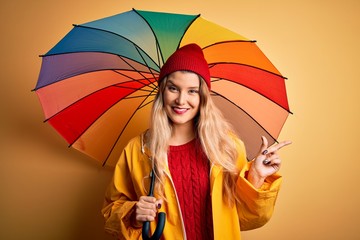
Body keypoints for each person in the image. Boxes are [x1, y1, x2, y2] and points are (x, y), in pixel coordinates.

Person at [101, 43, 292, 240]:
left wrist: (256, 178)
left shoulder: (228, 147)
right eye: (173, 88)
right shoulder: (137, 150)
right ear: (161, 91)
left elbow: (247, 219)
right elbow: (110, 212)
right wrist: (133, 214)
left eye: (192, 91)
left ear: (203, 97)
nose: (181, 100)